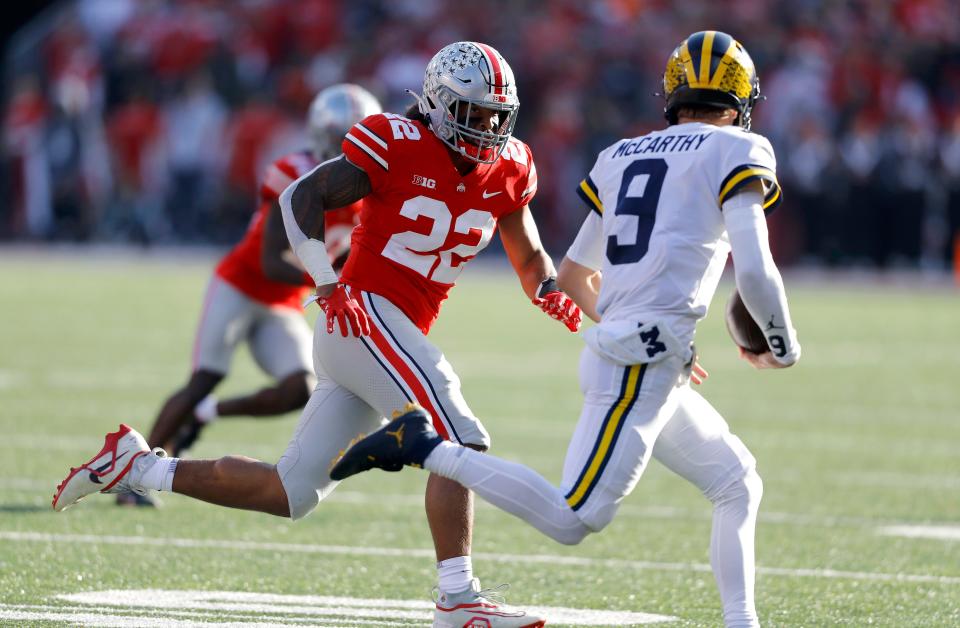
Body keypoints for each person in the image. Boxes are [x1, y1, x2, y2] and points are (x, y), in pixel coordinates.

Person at [53, 42, 580, 628]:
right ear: (436, 104)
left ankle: (138, 467)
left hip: (372, 333)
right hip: (364, 314)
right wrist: (328, 281)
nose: (486, 128)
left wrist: (550, 290)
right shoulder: (396, 141)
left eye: (494, 116)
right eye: (472, 113)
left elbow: (529, 252)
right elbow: (300, 196)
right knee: (458, 438)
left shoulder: (509, 166)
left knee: (288, 492)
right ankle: (458, 599)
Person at [329, 31, 802, 628]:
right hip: (639, 362)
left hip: (640, 352)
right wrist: (782, 346)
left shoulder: (622, 154)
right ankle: (419, 445)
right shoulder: (739, 147)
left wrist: (638, 326)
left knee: (737, 481)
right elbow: (755, 269)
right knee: (574, 519)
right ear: (741, 96)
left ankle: (742, 621)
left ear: (673, 91)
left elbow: (575, 274)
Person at [116, 84, 381, 508]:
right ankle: (133, 476)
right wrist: (331, 285)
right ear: (322, 139)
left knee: (300, 388)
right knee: (205, 376)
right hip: (241, 284)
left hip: (282, 302)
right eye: (341, 143)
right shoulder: (294, 172)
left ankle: (207, 414)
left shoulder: (371, 195)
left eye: (359, 144)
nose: (349, 155)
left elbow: (349, 257)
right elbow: (271, 260)